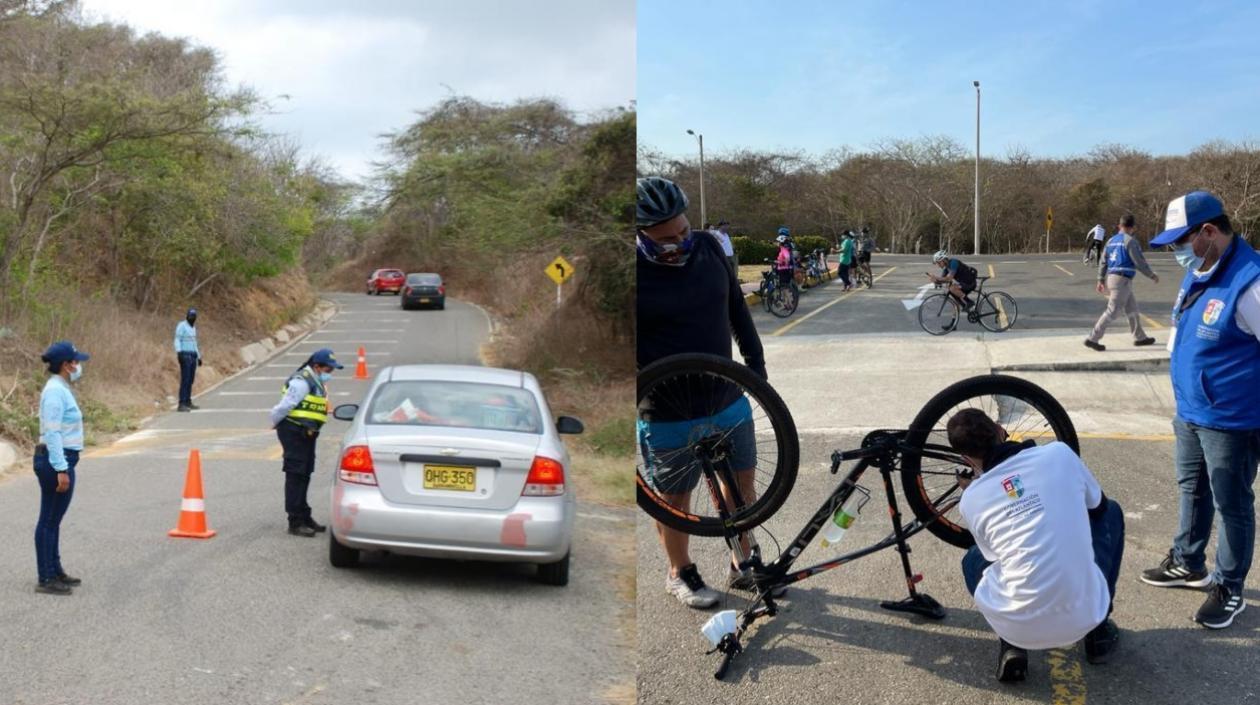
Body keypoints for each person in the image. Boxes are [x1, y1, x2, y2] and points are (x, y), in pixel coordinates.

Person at [637, 176, 779, 608]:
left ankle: (744, 562)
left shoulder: (710, 247)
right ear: (639, 233)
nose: (678, 242)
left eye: (682, 231)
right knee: (675, 500)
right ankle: (680, 572)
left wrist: (756, 368)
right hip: (666, 409)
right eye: (664, 238)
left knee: (742, 490)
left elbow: (735, 307)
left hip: (728, 396)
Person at [1140, 190, 1260, 629]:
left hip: (1232, 419)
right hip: (1191, 409)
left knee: (1232, 503)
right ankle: (1188, 562)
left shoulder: (1250, 280)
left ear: (1208, 231)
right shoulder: (1201, 270)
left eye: (1180, 241)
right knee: (1191, 488)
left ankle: (1229, 586)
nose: (1176, 252)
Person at [948, 408, 1123, 682]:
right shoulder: (1060, 454)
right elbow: (1098, 508)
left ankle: (1012, 646)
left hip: (1018, 627)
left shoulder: (971, 498)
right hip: (1085, 614)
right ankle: (1098, 634)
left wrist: (981, 492)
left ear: (966, 459)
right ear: (999, 429)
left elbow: (991, 555)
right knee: (1112, 511)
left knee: (973, 559)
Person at [33, 341, 91, 595]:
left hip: (62, 459)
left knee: (54, 520)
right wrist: (61, 468)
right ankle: (45, 578)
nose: (79, 365)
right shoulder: (55, 392)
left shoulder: (60, 387)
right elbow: (53, 432)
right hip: (56, 460)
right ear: (66, 365)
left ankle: (55, 570)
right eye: (75, 361)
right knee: (48, 520)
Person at [269, 347, 343, 537]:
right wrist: (276, 421)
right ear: (317, 366)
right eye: (328, 370)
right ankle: (295, 521)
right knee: (296, 474)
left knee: (305, 472)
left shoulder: (316, 381)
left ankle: (304, 515)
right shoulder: (302, 381)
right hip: (294, 431)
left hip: (307, 433)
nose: (330, 374)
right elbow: (286, 405)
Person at [1084, 214, 1158, 351]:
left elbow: (1103, 261)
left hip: (1113, 277)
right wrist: (1151, 275)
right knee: (1112, 310)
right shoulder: (1130, 241)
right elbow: (1139, 262)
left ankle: (1140, 337)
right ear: (1133, 228)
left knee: (1132, 309)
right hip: (1122, 279)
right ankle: (1093, 338)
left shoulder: (1111, 241)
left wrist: (1100, 279)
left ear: (1120, 226)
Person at [174, 308, 203, 411]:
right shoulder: (182, 325)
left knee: (190, 380)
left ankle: (188, 401)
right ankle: (181, 403)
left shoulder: (193, 328)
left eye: (194, 316)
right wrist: (179, 352)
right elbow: (177, 339)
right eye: (190, 315)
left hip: (193, 355)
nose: (192, 318)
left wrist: (199, 356)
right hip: (185, 355)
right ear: (187, 316)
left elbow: (194, 342)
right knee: (185, 379)